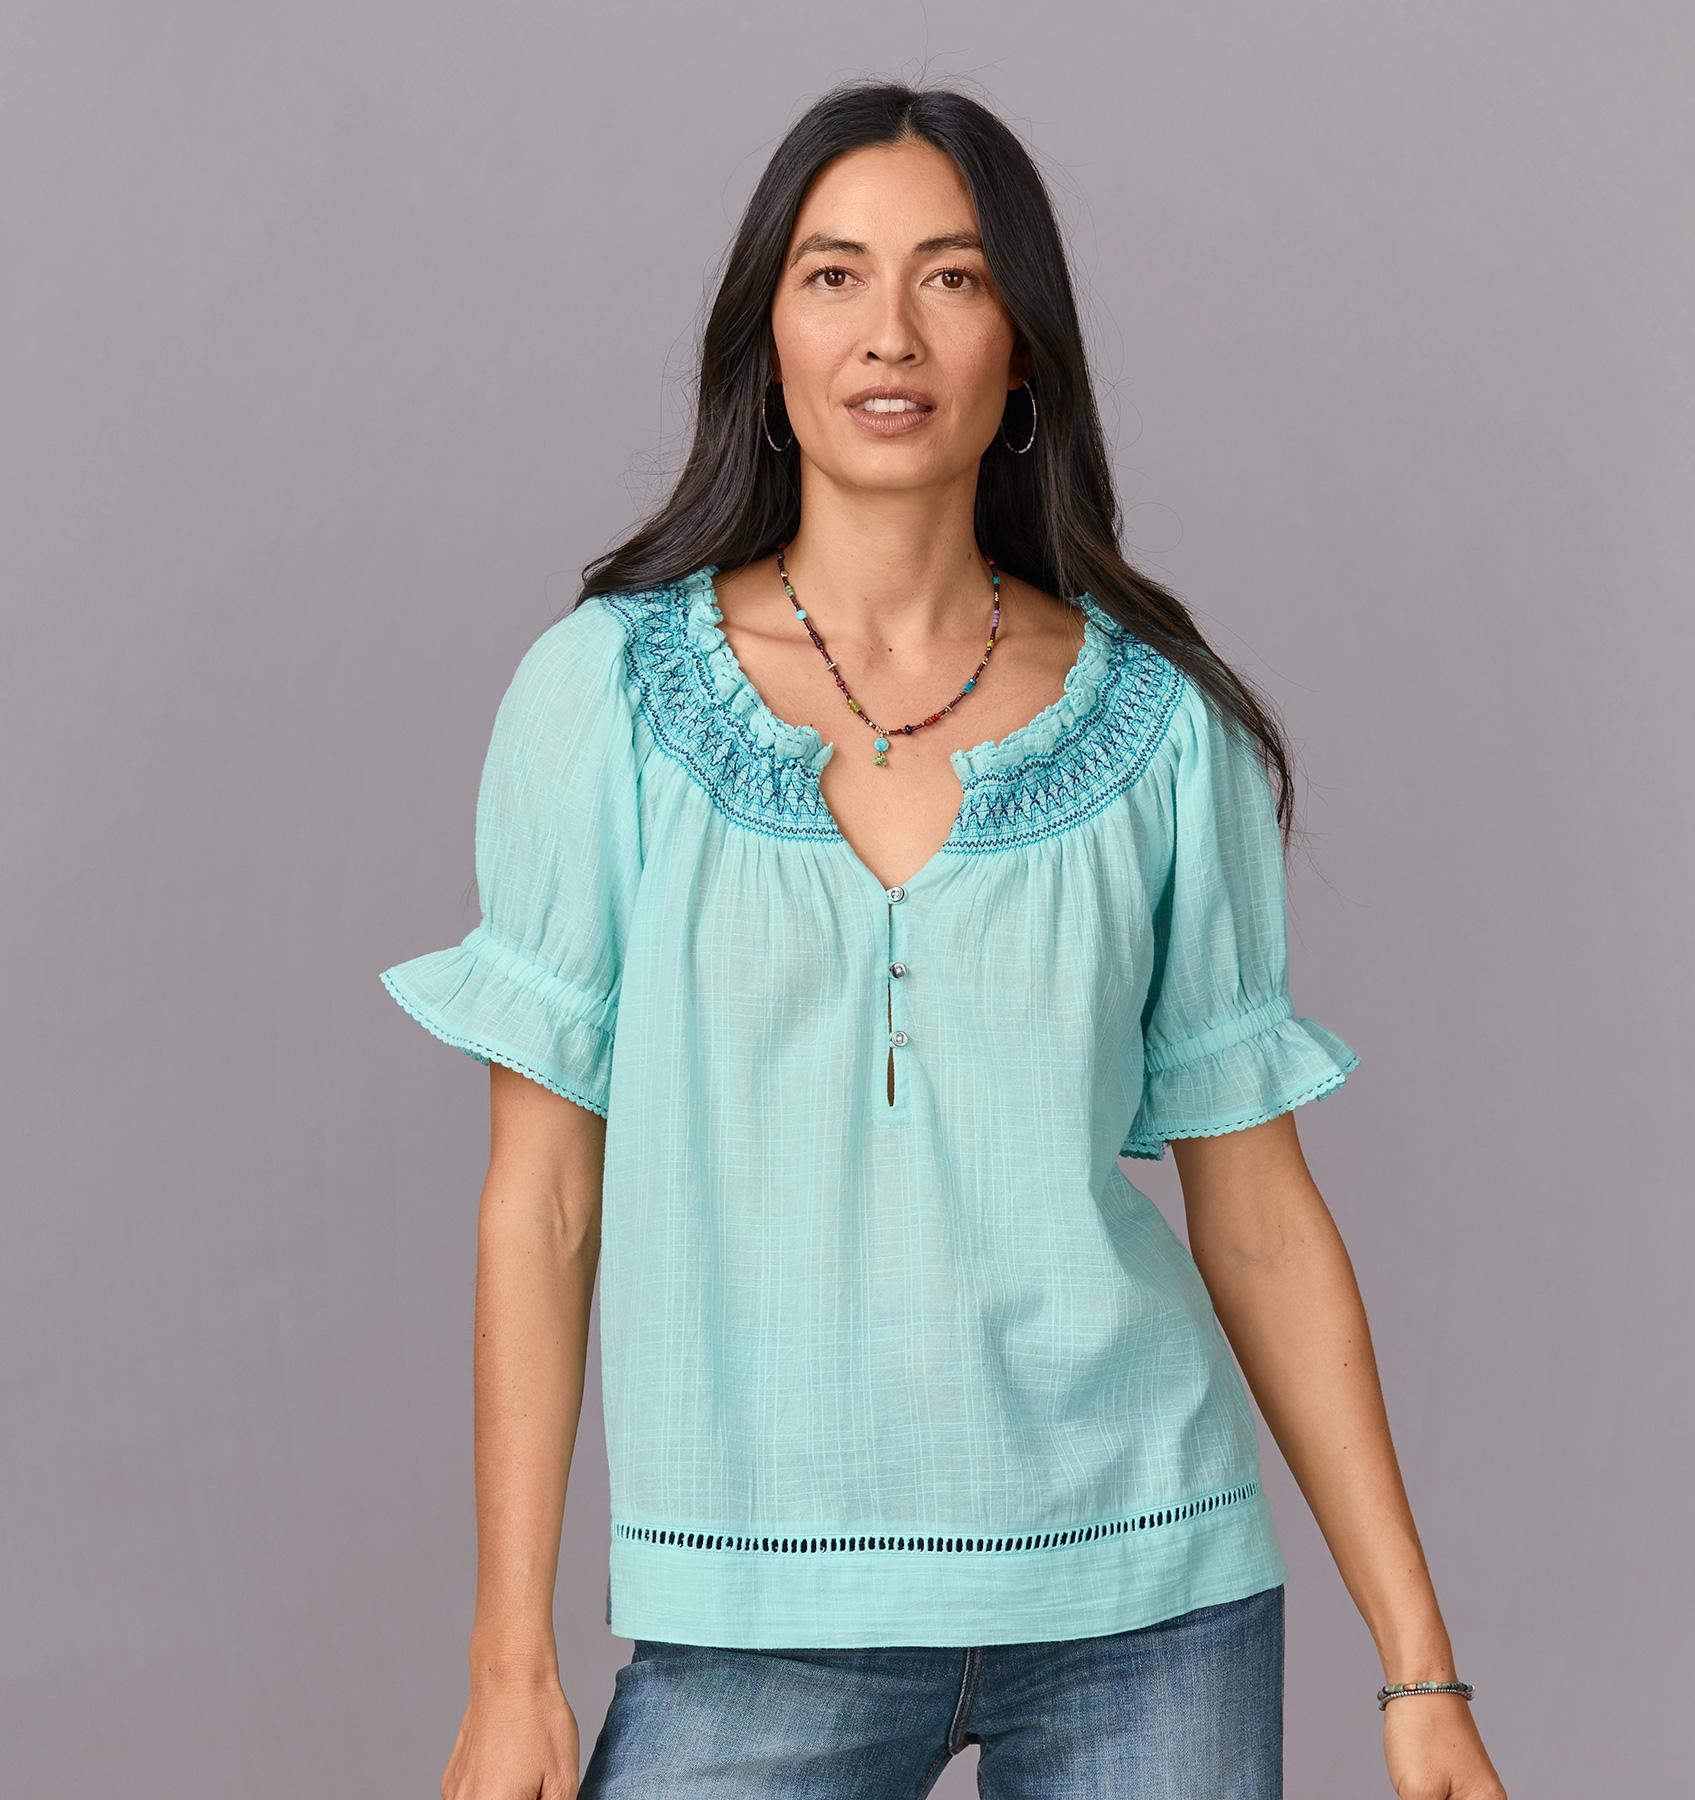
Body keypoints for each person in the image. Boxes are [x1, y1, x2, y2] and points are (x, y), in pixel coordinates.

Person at [378, 79, 1506, 1800]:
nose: (889, 333)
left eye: (953, 278)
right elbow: (542, 1204)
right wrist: (507, 1655)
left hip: (1151, 1595)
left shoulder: (1161, 727)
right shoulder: (600, 700)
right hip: (756, 1612)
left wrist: (1419, 1668)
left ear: (1022, 347)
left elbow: (1261, 1218)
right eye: (834, 275)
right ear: (766, 336)